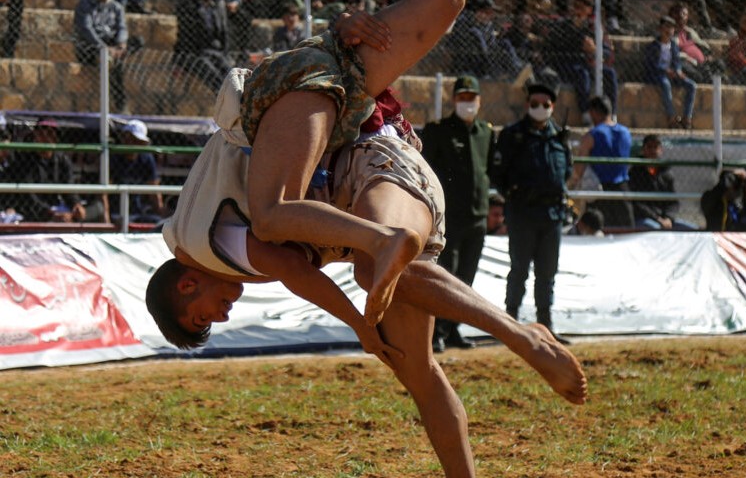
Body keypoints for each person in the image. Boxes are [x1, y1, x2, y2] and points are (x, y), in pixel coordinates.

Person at [148, 77, 587, 478]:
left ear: (187, 286)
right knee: (417, 370)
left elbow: (293, 270)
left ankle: (520, 336)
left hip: (373, 158)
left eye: (201, 320)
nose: (220, 320)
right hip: (386, 182)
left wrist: (361, 325)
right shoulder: (206, 233)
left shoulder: (211, 242)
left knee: (373, 266)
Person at [231, 0, 487, 330]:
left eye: (211, 313)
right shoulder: (206, 235)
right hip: (345, 112)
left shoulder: (210, 235)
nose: (226, 307)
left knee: (278, 213)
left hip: (341, 100)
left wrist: (338, 27)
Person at [420, 74, 496, 353]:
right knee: (446, 276)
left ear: (479, 100)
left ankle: (453, 329)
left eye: (471, 98)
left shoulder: (486, 133)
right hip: (449, 217)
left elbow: (487, 169)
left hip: (477, 216)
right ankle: (436, 332)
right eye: (462, 98)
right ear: (454, 100)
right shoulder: (439, 131)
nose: (467, 103)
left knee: (466, 277)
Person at [491, 79, 573, 338]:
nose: (540, 108)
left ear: (553, 106)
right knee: (519, 270)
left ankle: (545, 324)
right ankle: (510, 323)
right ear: (527, 105)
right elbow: (497, 173)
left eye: (545, 104)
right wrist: (517, 197)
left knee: (547, 273)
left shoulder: (559, 137)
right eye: (534, 104)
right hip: (522, 214)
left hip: (551, 216)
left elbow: (566, 171)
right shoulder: (512, 135)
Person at [74, 0, 134, 112]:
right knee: (115, 65)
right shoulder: (85, 3)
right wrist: (103, 48)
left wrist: (120, 44)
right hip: (91, 45)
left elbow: (122, 28)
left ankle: (113, 57)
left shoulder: (117, 7)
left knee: (137, 41)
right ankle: (120, 104)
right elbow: (86, 29)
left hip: (112, 45)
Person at [569, 95, 633, 230]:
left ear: (593, 112)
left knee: (597, 232)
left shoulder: (592, 135)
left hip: (600, 192)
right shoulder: (625, 132)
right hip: (622, 190)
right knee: (625, 231)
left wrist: (571, 185)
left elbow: (579, 169)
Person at [172, 0, 232, 92]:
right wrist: (178, 62)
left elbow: (223, 32)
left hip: (215, 51)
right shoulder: (188, 5)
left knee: (232, 75)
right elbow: (184, 35)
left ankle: (234, 103)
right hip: (195, 52)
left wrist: (226, 54)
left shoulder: (218, 5)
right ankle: (226, 103)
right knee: (213, 76)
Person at [629, 134, 690, 231]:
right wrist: (657, 219)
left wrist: (668, 218)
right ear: (643, 150)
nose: (653, 151)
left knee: (691, 229)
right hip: (645, 218)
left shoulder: (666, 172)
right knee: (655, 228)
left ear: (661, 150)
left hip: (665, 219)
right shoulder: (635, 172)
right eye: (649, 147)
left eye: (656, 147)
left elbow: (673, 202)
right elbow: (637, 203)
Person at [644, 15, 696, 129]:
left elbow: (677, 61)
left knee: (691, 85)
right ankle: (671, 118)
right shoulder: (653, 46)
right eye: (666, 27)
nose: (669, 30)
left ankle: (687, 118)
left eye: (671, 28)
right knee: (666, 84)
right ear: (660, 29)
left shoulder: (673, 45)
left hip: (672, 74)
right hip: (658, 75)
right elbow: (652, 65)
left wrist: (678, 71)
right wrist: (665, 70)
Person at [110, 119, 164, 224]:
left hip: (138, 212)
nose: (131, 143)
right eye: (129, 139)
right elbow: (105, 192)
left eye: (137, 140)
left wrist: (161, 212)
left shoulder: (146, 158)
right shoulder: (114, 157)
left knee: (158, 222)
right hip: (115, 212)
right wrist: (106, 219)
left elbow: (154, 190)